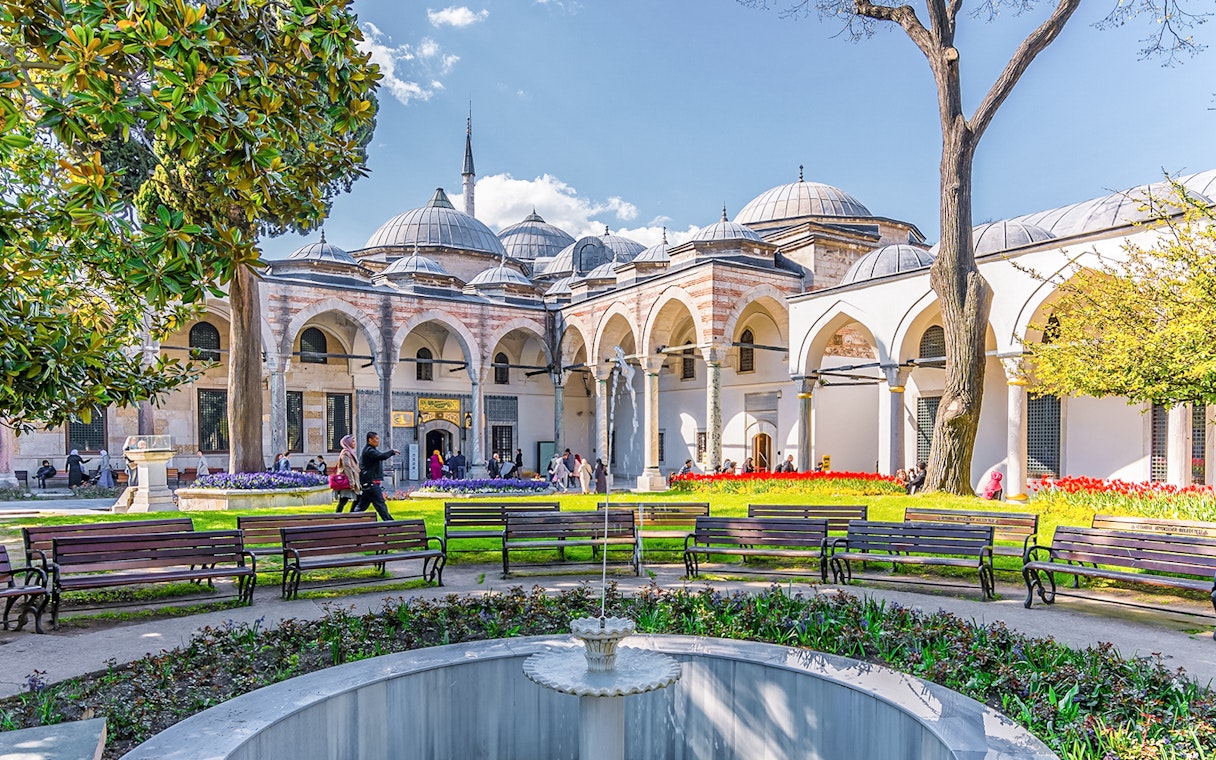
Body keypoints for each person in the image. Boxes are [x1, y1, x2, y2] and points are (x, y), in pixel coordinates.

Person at [353, 431, 397, 520]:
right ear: (370, 440)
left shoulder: (371, 450)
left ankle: (352, 520)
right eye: (376, 439)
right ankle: (390, 523)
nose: (378, 441)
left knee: (362, 506)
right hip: (370, 483)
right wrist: (392, 452)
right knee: (380, 504)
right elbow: (382, 456)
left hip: (369, 483)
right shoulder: (369, 451)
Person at [332, 434, 361, 512]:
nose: (354, 443)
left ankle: (351, 515)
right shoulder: (345, 453)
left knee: (357, 498)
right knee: (344, 500)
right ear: (348, 443)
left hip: (353, 479)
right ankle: (338, 516)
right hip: (347, 480)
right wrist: (352, 482)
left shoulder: (350, 452)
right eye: (353, 441)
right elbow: (347, 467)